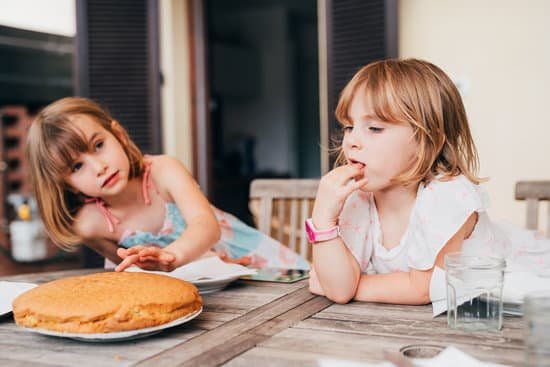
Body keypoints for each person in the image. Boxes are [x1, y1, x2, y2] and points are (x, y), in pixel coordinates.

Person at [308, 58, 549, 305]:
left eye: (374, 128)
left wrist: (354, 286)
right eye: (349, 127)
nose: (352, 141)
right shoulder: (359, 198)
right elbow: (338, 289)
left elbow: (423, 288)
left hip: (512, 286)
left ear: (428, 141)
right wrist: (323, 220)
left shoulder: (448, 194)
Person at [27, 97, 309, 272]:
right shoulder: (92, 225)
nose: (98, 167)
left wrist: (171, 255)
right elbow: (135, 274)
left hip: (257, 265)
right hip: (207, 295)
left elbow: (205, 226)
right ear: (68, 185)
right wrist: (165, 266)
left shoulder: (162, 171)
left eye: (99, 145)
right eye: (77, 167)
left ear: (119, 135)